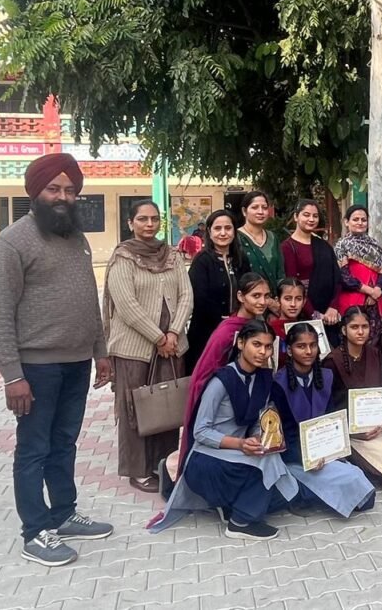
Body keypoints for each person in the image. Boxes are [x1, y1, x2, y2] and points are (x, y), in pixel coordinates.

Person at [0, 153, 114, 566]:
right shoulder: (10, 244)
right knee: (34, 449)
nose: (63, 197)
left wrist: (100, 352)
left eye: (70, 190)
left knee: (64, 443)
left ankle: (63, 514)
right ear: (35, 192)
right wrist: (12, 376)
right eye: (54, 189)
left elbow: (89, 300)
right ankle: (35, 531)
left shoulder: (77, 239)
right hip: (35, 369)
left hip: (76, 363)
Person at [148, 321, 303, 539]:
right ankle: (241, 521)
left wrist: (258, 438)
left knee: (279, 477)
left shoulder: (263, 379)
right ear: (240, 343)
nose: (262, 352)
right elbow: (200, 431)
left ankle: (230, 505)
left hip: (237, 454)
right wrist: (240, 444)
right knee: (269, 467)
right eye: (256, 344)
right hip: (207, 458)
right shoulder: (221, 381)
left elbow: (257, 421)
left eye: (268, 347)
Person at [102, 200, 193, 493]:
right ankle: (138, 470)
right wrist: (158, 337)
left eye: (154, 219)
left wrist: (174, 332)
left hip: (173, 345)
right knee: (135, 409)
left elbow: (186, 295)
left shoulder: (172, 255)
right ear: (131, 223)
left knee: (167, 406)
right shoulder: (123, 257)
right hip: (135, 348)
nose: (149, 224)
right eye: (142, 219)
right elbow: (126, 305)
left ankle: (164, 464)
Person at [161, 273, 272, 494]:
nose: (262, 301)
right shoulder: (227, 331)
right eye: (256, 295)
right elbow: (207, 370)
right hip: (221, 397)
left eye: (266, 296)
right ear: (240, 296)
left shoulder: (258, 326)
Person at [272, 323, 377, 514]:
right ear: (289, 350)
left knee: (365, 494)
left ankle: (307, 493)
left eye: (313, 345)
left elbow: (330, 420)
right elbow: (283, 435)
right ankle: (299, 490)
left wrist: (334, 450)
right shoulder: (279, 384)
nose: (308, 351)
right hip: (294, 456)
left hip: (323, 451)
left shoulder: (326, 377)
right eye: (301, 346)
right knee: (350, 486)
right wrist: (306, 458)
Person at [325, 308, 382, 486]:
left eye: (365, 327)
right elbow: (328, 408)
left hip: (377, 426)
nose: (360, 332)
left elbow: (381, 392)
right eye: (354, 327)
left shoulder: (374, 354)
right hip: (352, 432)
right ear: (344, 330)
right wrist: (352, 431)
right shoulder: (332, 361)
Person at [186, 210, 252, 369]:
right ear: (209, 232)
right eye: (217, 228)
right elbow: (199, 298)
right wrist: (223, 321)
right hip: (206, 332)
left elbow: (249, 290)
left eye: (228, 228)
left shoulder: (241, 259)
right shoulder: (202, 260)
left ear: (234, 231)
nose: (223, 233)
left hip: (239, 329)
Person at [281, 199, 342, 331]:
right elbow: (292, 284)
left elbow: (337, 279)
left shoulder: (324, 246)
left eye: (315, 216)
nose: (311, 219)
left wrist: (333, 307)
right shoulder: (287, 247)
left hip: (330, 315)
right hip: (303, 313)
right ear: (296, 217)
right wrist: (313, 314)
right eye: (306, 215)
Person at [333, 205, 382, 338]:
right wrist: (370, 291)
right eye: (355, 219)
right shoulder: (341, 245)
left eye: (363, 220)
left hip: (375, 301)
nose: (360, 223)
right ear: (346, 222)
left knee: (375, 340)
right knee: (353, 337)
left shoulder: (374, 245)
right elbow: (344, 277)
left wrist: (377, 290)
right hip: (353, 299)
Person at [237, 192, 284, 297]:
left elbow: (280, 272)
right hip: (247, 300)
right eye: (255, 207)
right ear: (244, 211)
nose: (260, 212)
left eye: (264, 208)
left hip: (274, 300)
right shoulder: (236, 238)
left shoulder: (273, 237)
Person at [268, 277, 308, 366]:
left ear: (304, 301)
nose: (293, 304)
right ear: (278, 300)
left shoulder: (308, 329)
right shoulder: (269, 330)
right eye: (287, 299)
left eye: (298, 299)